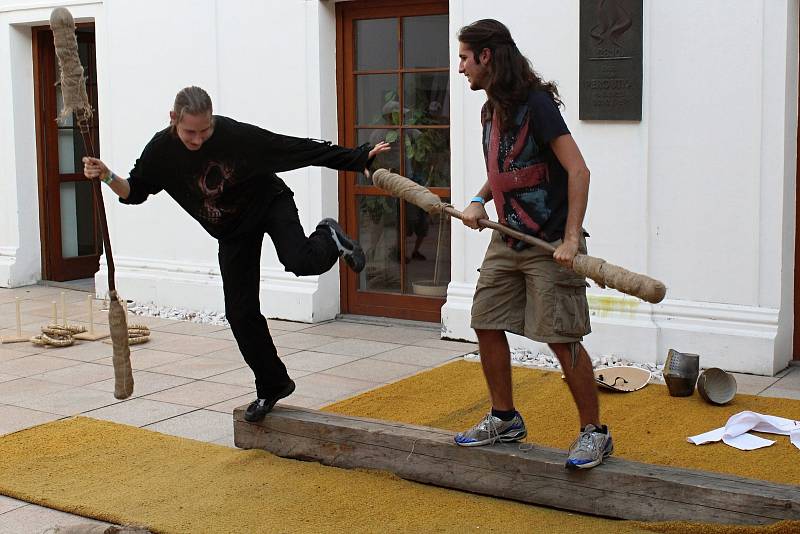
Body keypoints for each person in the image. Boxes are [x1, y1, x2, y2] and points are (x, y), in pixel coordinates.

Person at [83, 86, 390, 423]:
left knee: (300, 262)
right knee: (240, 314)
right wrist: (107, 175)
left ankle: (329, 236)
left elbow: (289, 148)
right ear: (174, 119)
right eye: (190, 132)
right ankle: (272, 384)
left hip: (268, 203)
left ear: (213, 120)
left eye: (205, 130)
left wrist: (357, 158)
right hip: (231, 231)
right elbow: (135, 190)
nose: (198, 139)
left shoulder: (232, 135)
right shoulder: (161, 151)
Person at [454, 20, 613, 469]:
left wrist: (570, 240)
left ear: (487, 56)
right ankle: (505, 418)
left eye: (465, 57)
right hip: (508, 238)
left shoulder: (537, 105)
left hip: (550, 245)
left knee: (562, 338)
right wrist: (477, 200)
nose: (461, 66)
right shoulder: (491, 110)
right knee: (485, 320)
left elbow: (578, 171)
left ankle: (594, 433)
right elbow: (506, 166)